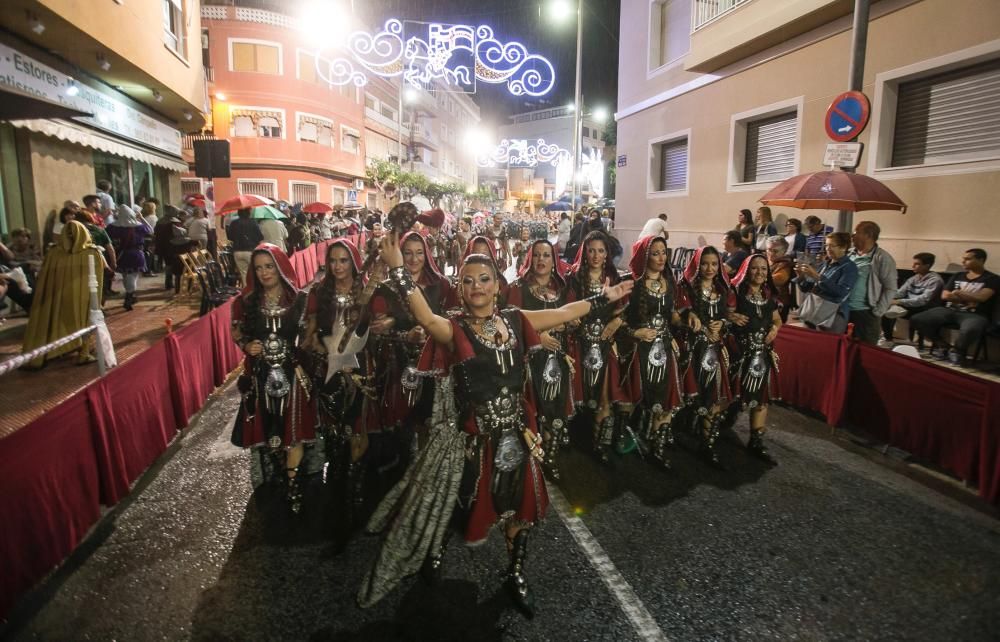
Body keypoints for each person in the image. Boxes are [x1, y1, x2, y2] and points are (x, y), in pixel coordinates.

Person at [357, 234, 632, 616]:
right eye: (467, 281)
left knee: (519, 511)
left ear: (498, 286)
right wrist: (400, 272)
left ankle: (515, 572)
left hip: (517, 437)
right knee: (458, 506)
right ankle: (435, 550)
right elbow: (424, 316)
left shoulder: (516, 321)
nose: (476, 288)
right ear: (459, 288)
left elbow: (568, 311)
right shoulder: (455, 329)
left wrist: (607, 296)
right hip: (471, 442)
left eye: (484, 279)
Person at [230, 243, 317, 513]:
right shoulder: (245, 302)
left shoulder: (301, 299)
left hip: (294, 373)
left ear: (280, 266)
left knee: (294, 430)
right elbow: (237, 332)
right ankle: (277, 475)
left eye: (269, 266)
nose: (265, 272)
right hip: (260, 374)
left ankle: (293, 485)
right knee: (270, 431)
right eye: (259, 268)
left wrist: (306, 343)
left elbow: (311, 335)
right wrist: (246, 345)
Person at [304, 238, 375, 523]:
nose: (337, 266)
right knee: (335, 429)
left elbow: (378, 325)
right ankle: (336, 477)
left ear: (354, 262)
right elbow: (309, 335)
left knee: (359, 426)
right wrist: (322, 347)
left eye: (343, 260)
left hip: (361, 369)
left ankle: (355, 482)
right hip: (329, 370)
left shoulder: (369, 291)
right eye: (333, 261)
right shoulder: (319, 293)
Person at [507, 239, 575, 479]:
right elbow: (510, 324)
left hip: (558, 358)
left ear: (553, 260)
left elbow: (572, 318)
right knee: (535, 410)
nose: (541, 260)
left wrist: (565, 325)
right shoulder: (518, 288)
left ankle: (551, 458)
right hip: (529, 362)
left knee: (556, 409)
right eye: (537, 255)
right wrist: (538, 336)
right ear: (530, 258)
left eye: (546, 255)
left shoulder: (563, 288)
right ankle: (534, 459)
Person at [621, 235, 691, 469]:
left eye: (664, 252)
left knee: (666, 398)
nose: (662, 258)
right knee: (636, 397)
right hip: (639, 350)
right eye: (655, 253)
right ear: (645, 256)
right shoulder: (632, 285)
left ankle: (657, 449)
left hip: (665, 348)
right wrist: (635, 333)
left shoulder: (670, 282)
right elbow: (617, 322)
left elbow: (673, 316)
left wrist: (687, 319)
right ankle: (628, 437)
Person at [568, 230, 627, 463]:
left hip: (604, 344)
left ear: (607, 254)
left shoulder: (614, 277)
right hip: (578, 343)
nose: (595, 255)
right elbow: (566, 310)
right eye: (591, 250)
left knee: (604, 396)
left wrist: (617, 321)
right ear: (584, 252)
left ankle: (598, 444)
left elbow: (623, 311)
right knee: (574, 392)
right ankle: (568, 438)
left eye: (600, 251)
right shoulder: (573, 278)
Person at [21, 221, 107, 368]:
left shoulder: (54, 253)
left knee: (58, 321)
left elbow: (44, 278)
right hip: (81, 298)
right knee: (83, 322)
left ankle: (62, 350)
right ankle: (82, 353)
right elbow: (99, 278)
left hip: (58, 297)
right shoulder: (91, 252)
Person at [677, 247, 732, 468]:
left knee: (714, 394)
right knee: (685, 393)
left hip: (714, 350)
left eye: (714, 264)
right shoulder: (686, 289)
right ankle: (674, 435)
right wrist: (693, 321)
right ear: (697, 266)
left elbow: (726, 318)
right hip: (691, 349)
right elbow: (678, 318)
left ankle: (707, 443)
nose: (710, 269)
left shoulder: (722, 290)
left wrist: (723, 324)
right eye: (705, 264)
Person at [728, 254, 782, 464]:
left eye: (763, 269)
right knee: (728, 393)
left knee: (761, 398)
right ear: (746, 270)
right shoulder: (736, 291)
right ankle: (709, 436)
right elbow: (724, 312)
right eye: (755, 268)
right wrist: (731, 316)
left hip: (761, 353)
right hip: (738, 351)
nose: (759, 273)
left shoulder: (769, 294)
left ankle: (756, 441)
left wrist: (775, 329)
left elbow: (777, 319)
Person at [911, 248, 999, 366]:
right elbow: (945, 295)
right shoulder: (958, 275)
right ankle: (942, 345)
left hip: (975, 314)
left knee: (971, 329)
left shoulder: (992, 278)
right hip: (949, 310)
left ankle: (957, 351)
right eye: (963, 259)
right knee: (918, 319)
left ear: (981, 260)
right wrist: (969, 297)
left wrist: (958, 293)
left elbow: (982, 297)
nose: (963, 262)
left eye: (967, 259)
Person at [795, 232, 859, 335]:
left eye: (832, 245)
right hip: (813, 312)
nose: (827, 249)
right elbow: (809, 288)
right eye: (826, 245)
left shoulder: (849, 267)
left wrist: (817, 276)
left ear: (843, 247)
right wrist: (801, 276)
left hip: (832, 316)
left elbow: (841, 292)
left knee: (827, 347)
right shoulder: (826, 264)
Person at [845, 221, 897, 345]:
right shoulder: (849, 254)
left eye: (856, 233)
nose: (852, 236)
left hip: (865, 313)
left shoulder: (882, 258)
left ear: (868, 235)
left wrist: (878, 311)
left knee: (864, 349)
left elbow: (890, 288)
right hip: (845, 310)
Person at [880, 253, 944, 347]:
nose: (913, 266)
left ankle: (899, 339)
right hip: (909, 305)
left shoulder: (935, 280)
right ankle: (888, 338)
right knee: (884, 308)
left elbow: (923, 300)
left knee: (893, 308)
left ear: (927, 266)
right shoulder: (914, 278)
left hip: (925, 308)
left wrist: (899, 301)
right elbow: (900, 293)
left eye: (917, 264)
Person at [106, 205, 152, 311]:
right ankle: (129, 295)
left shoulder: (112, 227)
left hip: (121, 255)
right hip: (136, 254)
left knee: (126, 275)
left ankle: (130, 294)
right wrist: (141, 218)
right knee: (133, 276)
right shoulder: (139, 226)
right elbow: (150, 230)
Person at [227, 208, 264, 284]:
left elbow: (230, 237)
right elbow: (260, 237)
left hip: (237, 251)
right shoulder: (253, 222)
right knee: (254, 273)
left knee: (244, 274)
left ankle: (246, 291)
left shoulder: (234, 223)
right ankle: (254, 291)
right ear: (249, 213)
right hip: (250, 251)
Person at [765, 236, 795, 322]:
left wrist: (758, 277)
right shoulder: (767, 261)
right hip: (765, 302)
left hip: (779, 303)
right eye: (769, 249)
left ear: (784, 252)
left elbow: (780, 279)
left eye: (775, 251)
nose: (771, 253)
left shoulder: (785, 264)